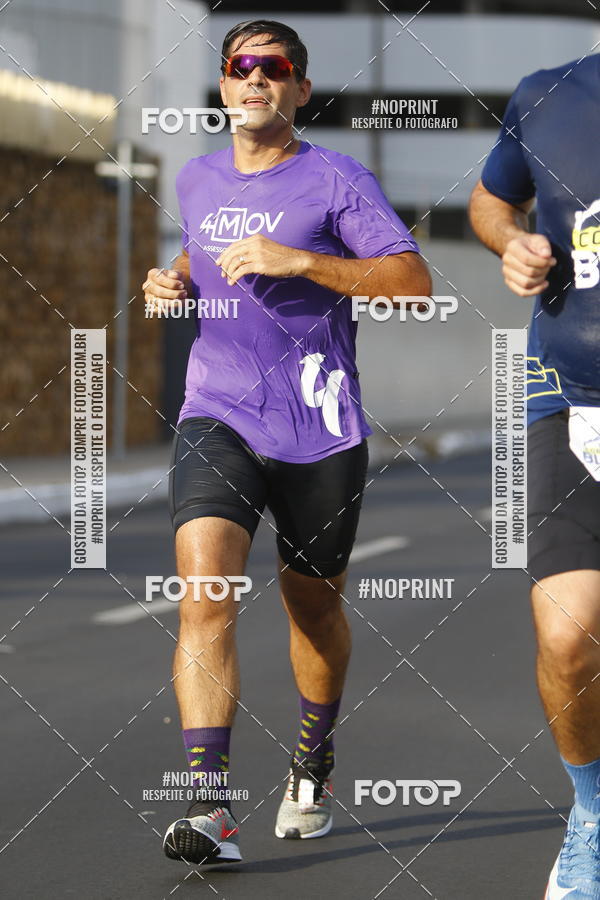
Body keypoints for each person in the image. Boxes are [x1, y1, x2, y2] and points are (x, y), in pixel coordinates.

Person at [143, 18, 431, 865]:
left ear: (301, 87)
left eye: (275, 68)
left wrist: (304, 263)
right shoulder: (195, 178)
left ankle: (314, 758)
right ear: (225, 84)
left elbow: (412, 283)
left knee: (313, 610)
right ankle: (209, 810)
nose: (255, 79)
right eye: (241, 67)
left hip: (320, 431)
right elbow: (197, 263)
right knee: (205, 592)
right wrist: (170, 282)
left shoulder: (337, 179)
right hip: (218, 414)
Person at [469, 53, 600, 899]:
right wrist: (513, 241)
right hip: (569, 394)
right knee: (566, 633)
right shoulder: (549, 94)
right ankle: (592, 810)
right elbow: (490, 198)